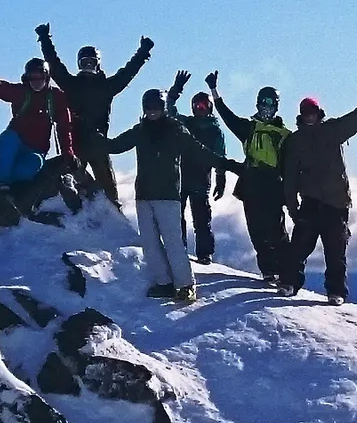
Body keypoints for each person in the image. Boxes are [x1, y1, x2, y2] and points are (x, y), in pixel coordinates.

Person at [285, 80, 357, 306]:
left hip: (336, 204)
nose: (309, 115)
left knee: (335, 252)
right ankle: (289, 283)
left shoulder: (333, 130)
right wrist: (292, 206)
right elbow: (289, 175)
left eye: (313, 111)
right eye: (306, 112)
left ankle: (335, 292)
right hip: (310, 201)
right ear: (301, 115)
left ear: (319, 113)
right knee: (298, 247)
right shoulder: (295, 141)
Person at [37, 24, 153, 205]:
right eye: (85, 62)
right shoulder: (71, 84)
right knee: (69, 183)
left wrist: (143, 52)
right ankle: (73, 217)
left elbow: (128, 72)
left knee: (109, 193)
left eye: (91, 62)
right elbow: (54, 64)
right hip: (75, 143)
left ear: (98, 63)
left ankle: (114, 219)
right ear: (79, 64)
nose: (88, 65)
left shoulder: (107, 86)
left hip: (98, 144)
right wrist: (45, 38)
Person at [105, 88, 202, 303]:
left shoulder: (176, 130)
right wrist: (90, 136)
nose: (152, 112)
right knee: (150, 243)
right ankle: (164, 284)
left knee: (173, 241)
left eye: (156, 107)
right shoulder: (140, 131)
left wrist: (226, 166)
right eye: (148, 108)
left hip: (168, 195)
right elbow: (115, 145)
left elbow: (199, 151)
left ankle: (186, 285)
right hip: (144, 195)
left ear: (164, 108)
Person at [207, 72, 294, 290]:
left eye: (270, 103)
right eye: (263, 102)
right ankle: (267, 270)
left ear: (276, 106)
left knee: (277, 231)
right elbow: (228, 118)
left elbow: (293, 164)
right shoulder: (249, 128)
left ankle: (286, 273)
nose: (266, 107)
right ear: (257, 104)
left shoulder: (284, 134)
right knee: (256, 229)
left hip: (273, 185)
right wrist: (214, 92)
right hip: (252, 183)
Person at [0, 56, 78, 187]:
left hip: (36, 150)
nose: (36, 81)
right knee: (7, 140)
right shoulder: (21, 92)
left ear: (47, 77)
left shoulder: (56, 97)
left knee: (33, 166)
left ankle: (10, 183)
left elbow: (64, 127)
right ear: (27, 78)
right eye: (32, 78)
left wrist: (68, 154)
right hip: (16, 141)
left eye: (40, 77)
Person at [165, 70, 230, 264]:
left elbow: (220, 155)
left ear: (209, 108)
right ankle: (179, 248)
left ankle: (204, 253)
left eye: (203, 105)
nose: (200, 108)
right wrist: (176, 90)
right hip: (181, 175)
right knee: (177, 216)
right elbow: (170, 110)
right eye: (196, 105)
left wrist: (221, 177)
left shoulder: (214, 130)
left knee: (202, 218)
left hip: (201, 178)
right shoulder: (186, 123)